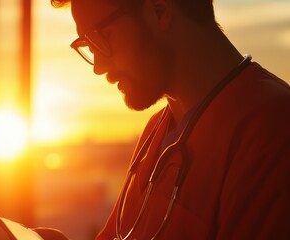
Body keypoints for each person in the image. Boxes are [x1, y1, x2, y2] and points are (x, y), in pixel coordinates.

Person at [36, 0, 290, 239]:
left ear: (160, 11)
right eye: (90, 47)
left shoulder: (273, 130)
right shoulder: (156, 132)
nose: (98, 66)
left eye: (101, 38)